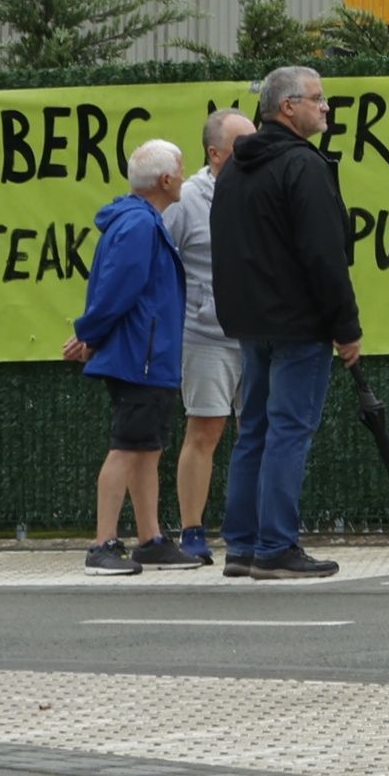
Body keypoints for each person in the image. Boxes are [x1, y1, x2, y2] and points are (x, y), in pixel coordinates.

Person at [210, 65, 361, 580]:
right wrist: (346, 327)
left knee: (253, 429)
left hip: (251, 324)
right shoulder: (303, 167)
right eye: (317, 99)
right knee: (289, 431)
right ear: (287, 107)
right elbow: (325, 256)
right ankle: (276, 547)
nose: (326, 107)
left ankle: (244, 546)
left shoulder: (232, 170)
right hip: (299, 324)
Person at [68, 139, 191, 575]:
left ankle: (150, 539)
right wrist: (90, 333)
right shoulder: (139, 225)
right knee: (126, 447)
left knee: (147, 448)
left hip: (149, 356)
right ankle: (102, 544)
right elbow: (118, 287)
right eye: (179, 169)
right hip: (139, 356)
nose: (183, 175)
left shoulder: (140, 221)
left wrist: (92, 334)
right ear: (165, 180)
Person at [160, 108, 250, 565]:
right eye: (242, 146)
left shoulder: (264, 188)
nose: (255, 152)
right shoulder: (186, 201)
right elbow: (161, 261)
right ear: (214, 153)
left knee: (257, 432)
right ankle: (192, 530)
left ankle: (253, 527)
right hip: (205, 337)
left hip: (259, 334)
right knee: (205, 430)